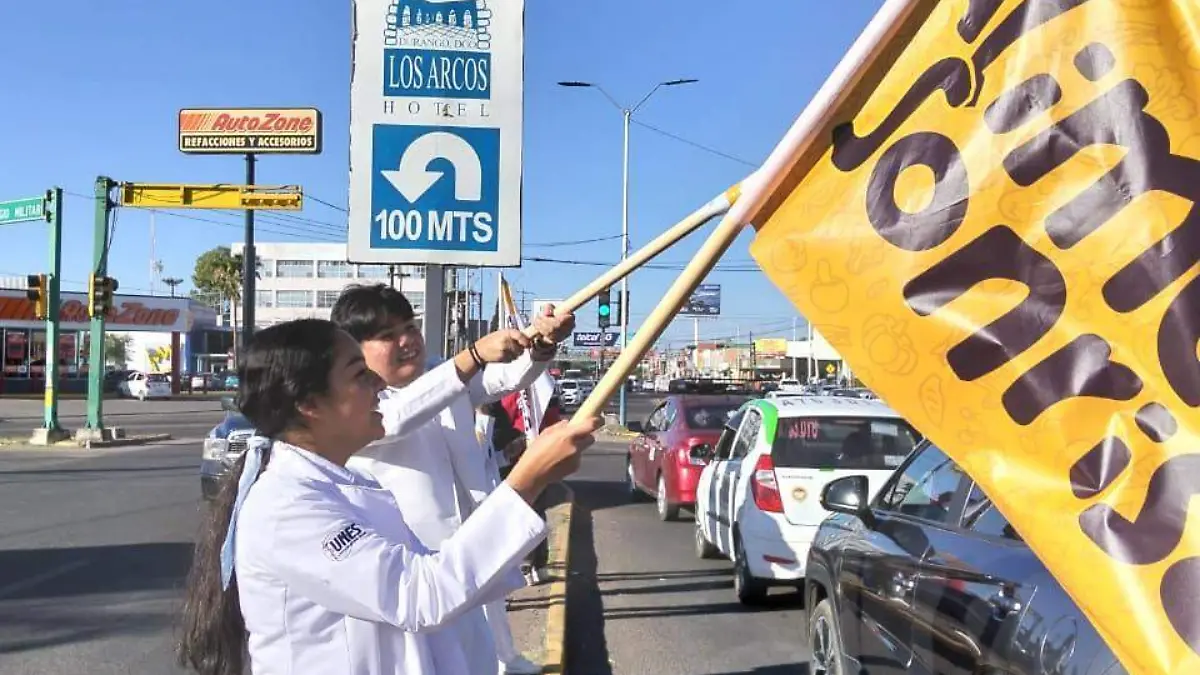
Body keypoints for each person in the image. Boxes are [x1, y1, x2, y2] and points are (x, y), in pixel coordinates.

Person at [176, 319, 600, 675]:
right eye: (359, 374)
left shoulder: (348, 485)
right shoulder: (286, 509)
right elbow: (420, 596)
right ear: (309, 404)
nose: (378, 384)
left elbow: (436, 592)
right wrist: (527, 482)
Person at [332, 284, 574, 675]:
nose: (407, 341)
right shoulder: (355, 406)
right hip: (416, 578)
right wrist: (473, 355)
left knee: (487, 653)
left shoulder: (442, 375)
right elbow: (397, 418)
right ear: (354, 349)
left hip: (471, 554)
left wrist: (541, 346)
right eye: (388, 335)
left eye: (410, 327)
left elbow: (503, 379)